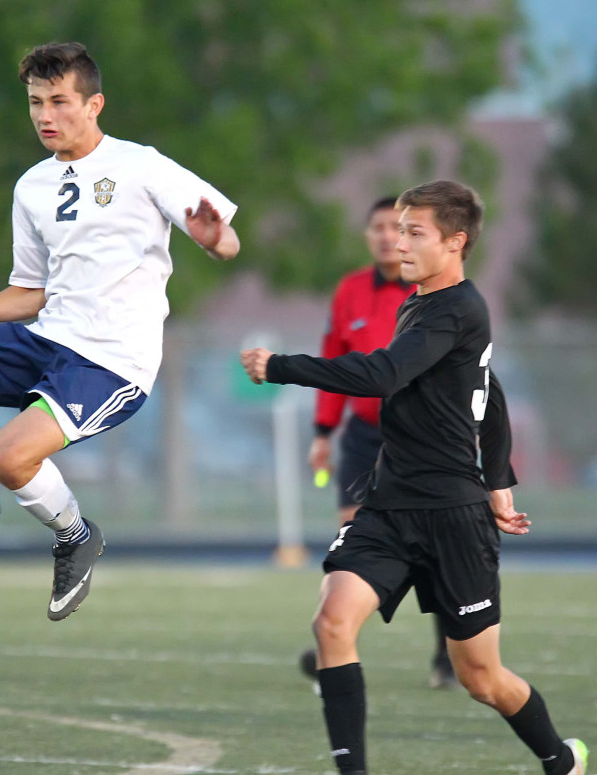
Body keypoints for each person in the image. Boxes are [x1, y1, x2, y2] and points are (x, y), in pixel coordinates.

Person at [0, 41, 239, 629]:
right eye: (36, 102)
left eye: (60, 101)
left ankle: (76, 536)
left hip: (112, 363)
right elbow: (31, 292)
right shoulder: (32, 186)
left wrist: (211, 237)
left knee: (11, 456)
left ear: (95, 105)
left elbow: (228, 242)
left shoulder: (142, 165)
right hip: (47, 336)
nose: (45, 115)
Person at [241, 180, 587, 775]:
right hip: (389, 505)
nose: (397, 242)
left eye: (413, 232)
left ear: (455, 242)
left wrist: (281, 366)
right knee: (331, 621)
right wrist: (501, 478)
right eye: (397, 230)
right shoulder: (422, 302)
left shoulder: (459, 307)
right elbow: (488, 392)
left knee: (482, 678)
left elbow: (384, 375)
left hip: (454, 515)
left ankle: (561, 758)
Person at [298, 197, 454, 691]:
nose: (389, 237)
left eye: (398, 228)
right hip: (364, 436)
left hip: (420, 438)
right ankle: (336, 648)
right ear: (367, 236)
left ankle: (447, 654)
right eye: (379, 228)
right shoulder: (350, 291)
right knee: (353, 538)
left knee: (433, 547)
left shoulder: (432, 291)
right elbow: (334, 361)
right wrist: (323, 432)